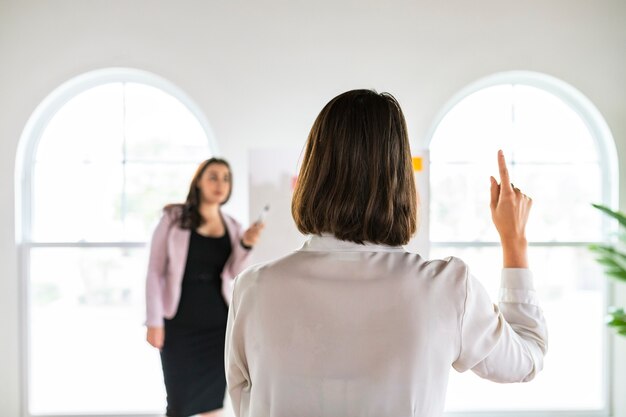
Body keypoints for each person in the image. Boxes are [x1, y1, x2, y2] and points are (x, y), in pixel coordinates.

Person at [225, 90, 547, 417]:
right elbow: (528, 358)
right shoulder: (446, 287)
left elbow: (244, 402)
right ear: (400, 177)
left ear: (313, 172)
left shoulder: (253, 288)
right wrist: (514, 239)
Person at [145, 158, 264, 417]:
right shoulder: (173, 218)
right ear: (198, 181)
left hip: (218, 326)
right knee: (178, 404)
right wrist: (154, 321)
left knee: (212, 405)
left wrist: (246, 245)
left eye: (225, 178)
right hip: (178, 323)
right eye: (213, 176)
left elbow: (235, 272)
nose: (220, 184)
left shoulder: (233, 226)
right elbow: (155, 271)